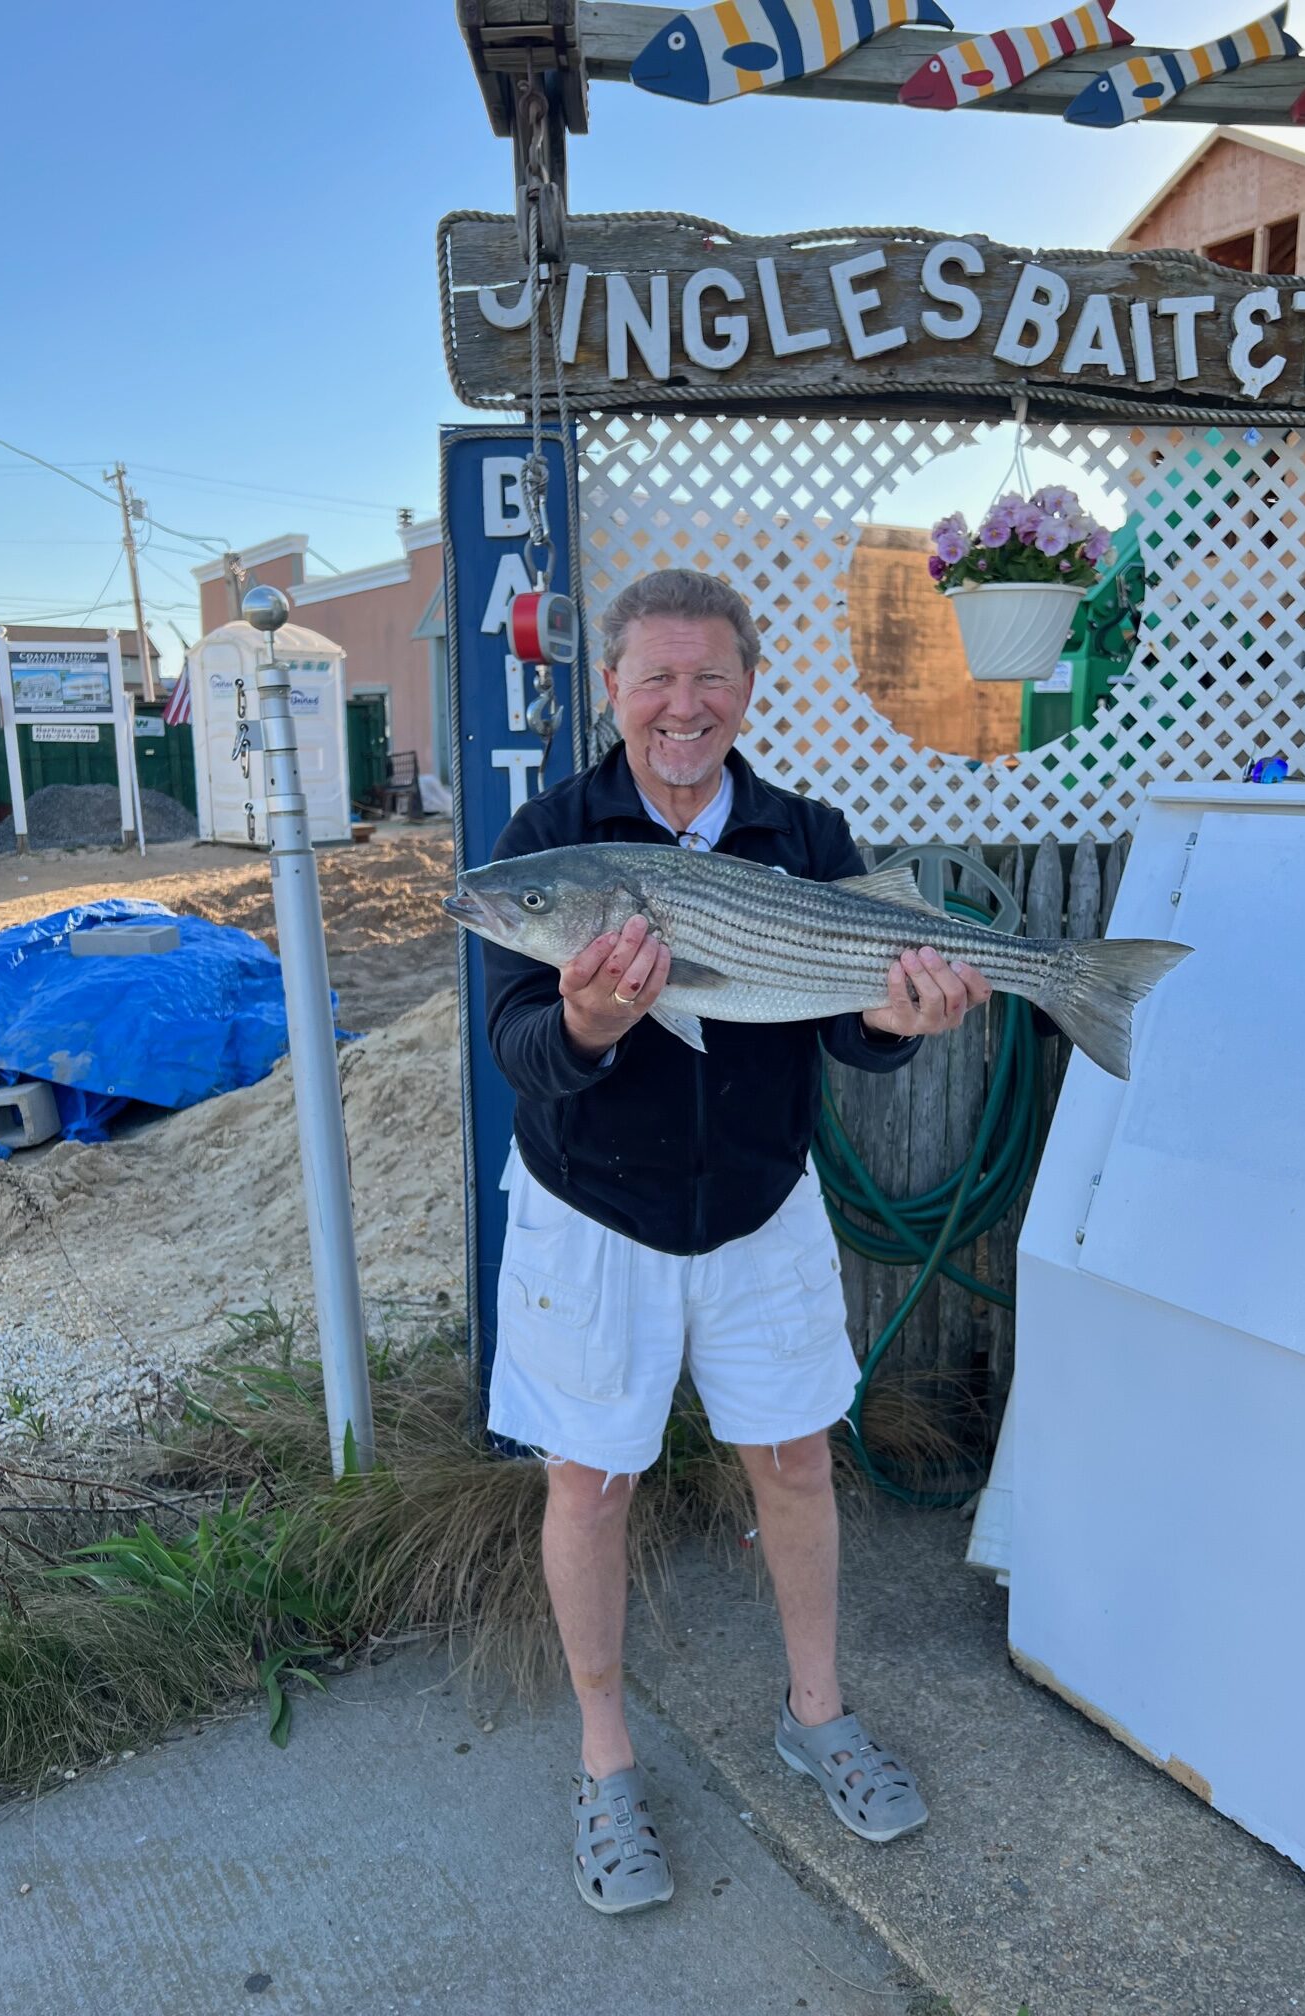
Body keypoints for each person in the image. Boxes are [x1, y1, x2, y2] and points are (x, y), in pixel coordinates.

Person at [480, 567, 992, 1916]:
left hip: (763, 1206)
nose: (682, 705)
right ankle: (605, 1767)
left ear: (749, 687)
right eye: (654, 677)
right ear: (611, 688)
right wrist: (589, 1023)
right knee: (587, 1485)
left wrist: (902, 1017)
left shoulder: (806, 835)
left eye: (709, 677)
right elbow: (518, 1047)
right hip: (592, 1215)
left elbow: (847, 1035)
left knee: (795, 1462)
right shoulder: (551, 842)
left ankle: (815, 1714)